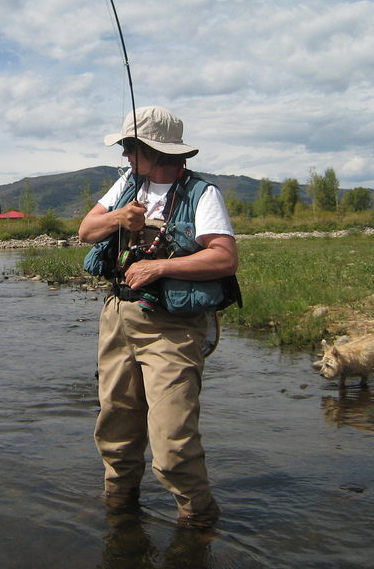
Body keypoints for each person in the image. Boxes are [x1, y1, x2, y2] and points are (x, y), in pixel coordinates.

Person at [79, 106, 238, 529]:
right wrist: (117, 217)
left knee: (172, 445)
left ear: (157, 150)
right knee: (115, 426)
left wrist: (160, 267)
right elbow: (85, 231)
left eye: (132, 147)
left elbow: (225, 257)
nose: (127, 156)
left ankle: (199, 524)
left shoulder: (202, 195)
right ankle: (119, 513)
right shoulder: (126, 184)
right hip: (118, 317)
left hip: (172, 328)